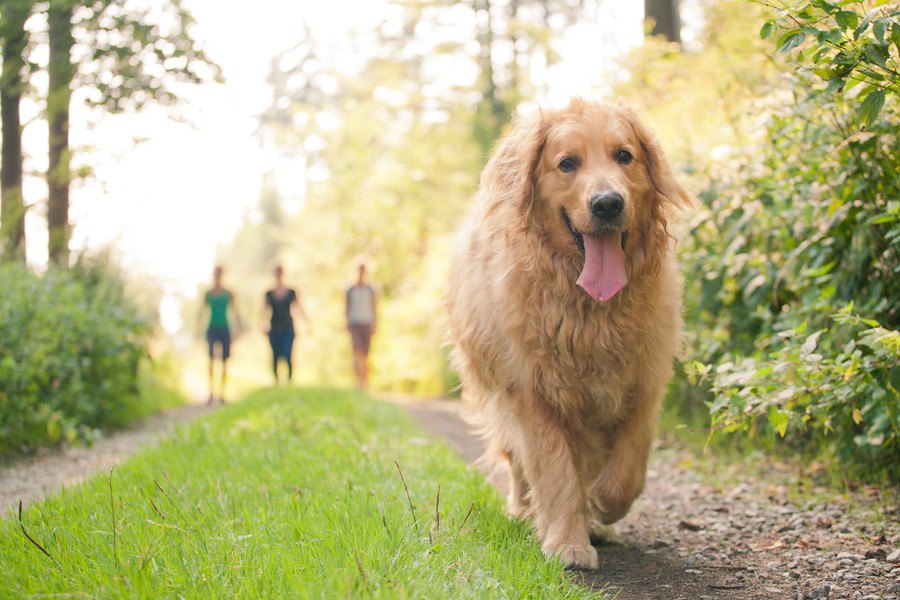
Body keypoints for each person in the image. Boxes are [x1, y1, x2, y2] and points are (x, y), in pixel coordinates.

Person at [198, 265, 241, 404]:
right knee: (210, 359)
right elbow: (201, 311)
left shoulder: (228, 293)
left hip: (225, 328)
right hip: (212, 328)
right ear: (213, 275)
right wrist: (198, 329)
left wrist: (238, 328)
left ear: (222, 275)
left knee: (224, 361)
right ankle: (211, 392)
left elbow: (235, 311)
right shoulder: (208, 294)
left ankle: (221, 393)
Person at [261, 265, 308, 384]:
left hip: (288, 328)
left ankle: (289, 381)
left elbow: (299, 308)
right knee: (275, 355)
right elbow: (264, 311)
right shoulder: (269, 293)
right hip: (274, 328)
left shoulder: (291, 292)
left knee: (288, 353)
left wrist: (306, 323)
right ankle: (276, 381)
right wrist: (262, 324)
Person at [345, 261, 377, 390]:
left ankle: (365, 381)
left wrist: (375, 323)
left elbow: (374, 307)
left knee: (365, 354)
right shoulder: (350, 289)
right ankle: (358, 381)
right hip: (355, 324)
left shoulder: (371, 289)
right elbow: (346, 308)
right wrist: (346, 323)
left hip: (367, 323)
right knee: (357, 352)